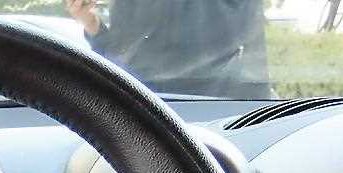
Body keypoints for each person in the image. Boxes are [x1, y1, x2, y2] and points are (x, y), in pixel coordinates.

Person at [65, 0, 271, 99]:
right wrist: (93, 25)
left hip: (215, 110)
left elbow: (253, 53)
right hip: (145, 111)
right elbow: (119, 56)